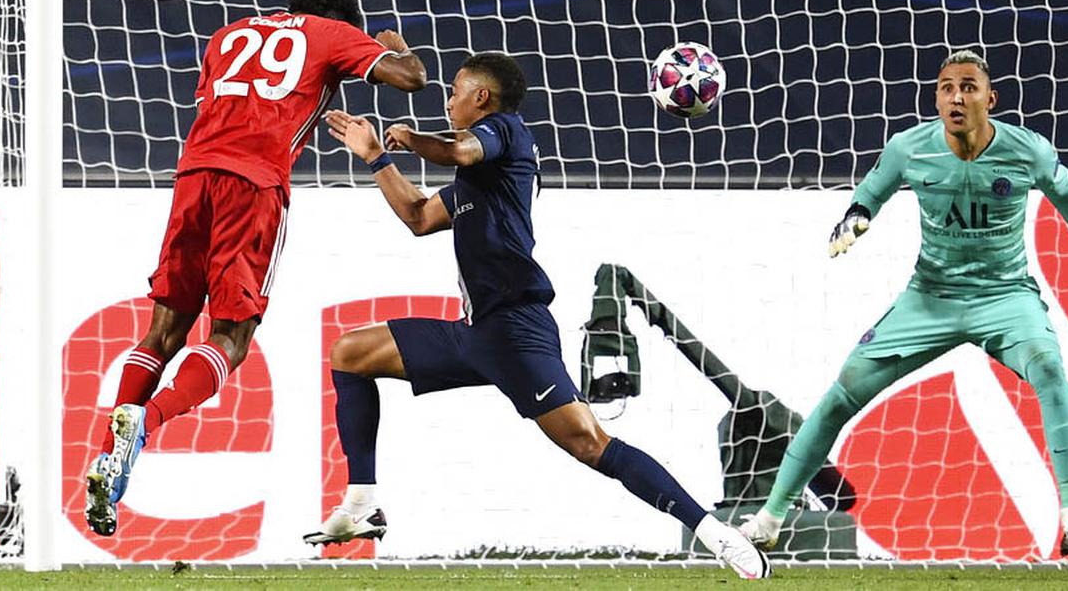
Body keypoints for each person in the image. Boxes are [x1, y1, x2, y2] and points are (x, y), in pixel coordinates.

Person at [311, 52, 768, 579]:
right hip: (478, 332)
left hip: (517, 330)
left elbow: (460, 151)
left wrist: (412, 139)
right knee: (350, 352)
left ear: (482, 97)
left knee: (590, 444)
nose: (448, 97)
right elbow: (417, 216)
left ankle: (715, 534)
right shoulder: (478, 177)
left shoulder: (504, 131)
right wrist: (374, 157)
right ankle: (362, 501)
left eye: (456, 89)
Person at [738, 49, 1068, 560]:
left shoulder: (1028, 151)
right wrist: (854, 217)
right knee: (842, 394)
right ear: (937, 98)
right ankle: (769, 520)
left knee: (1049, 371)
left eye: (969, 86)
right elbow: (872, 190)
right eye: (947, 87)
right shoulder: (910, 148)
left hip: (1004, 297)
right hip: (929, 300)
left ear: (990, 99)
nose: (957, 96)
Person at [83, 0, 427, 536]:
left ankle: (107, 457)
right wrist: (392, 48)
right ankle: (148, 422)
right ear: (343, 22)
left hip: (193, 176)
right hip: (255, 185)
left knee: (162, 333)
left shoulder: (228, 34)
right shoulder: (331, 35)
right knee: (231, 337)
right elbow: (412, 80)